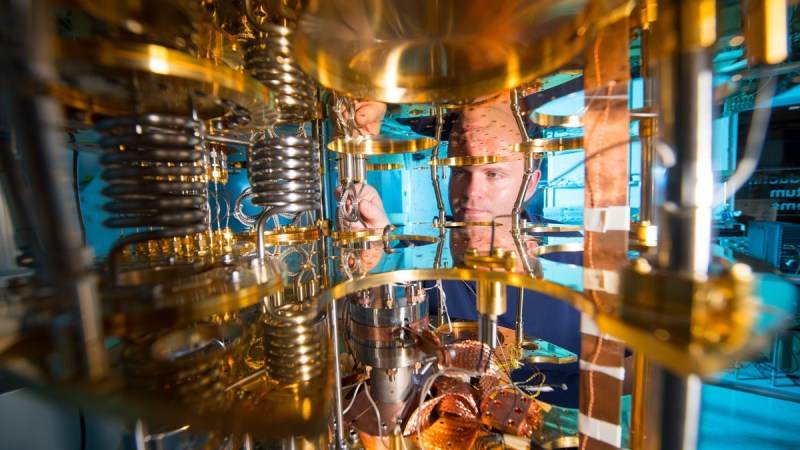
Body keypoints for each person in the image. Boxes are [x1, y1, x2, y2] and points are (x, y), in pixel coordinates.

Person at [336, 93, 584, 408]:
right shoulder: (421, 254)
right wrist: (376, 256)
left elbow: (626, 369)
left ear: (530, 184)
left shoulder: (573, 253)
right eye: (461, 172)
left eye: (493, 173)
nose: (471, 193)